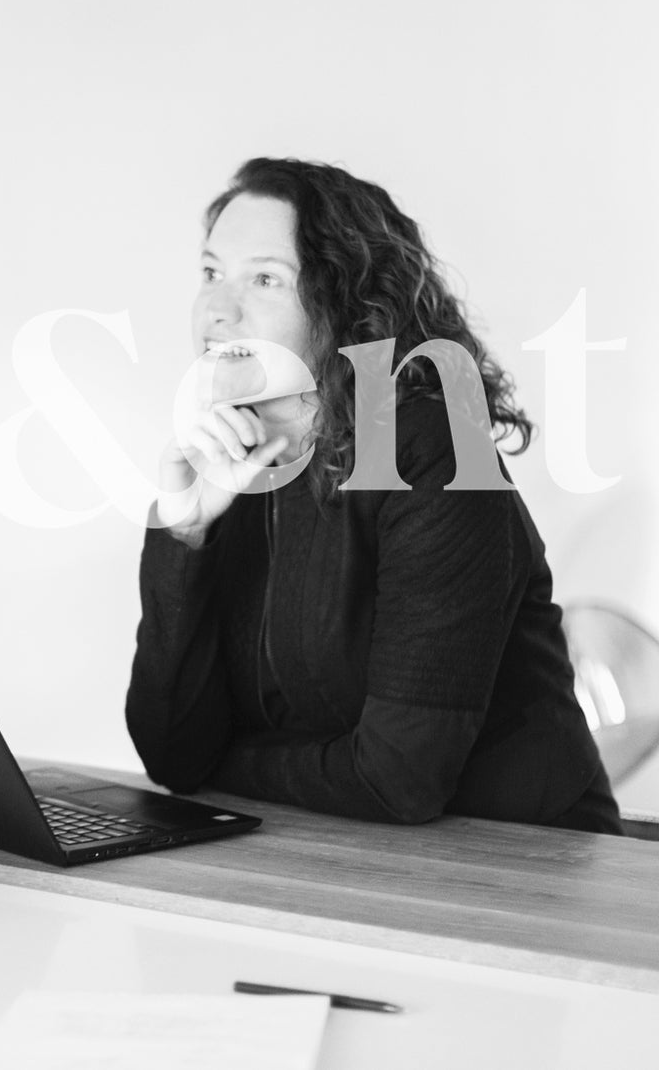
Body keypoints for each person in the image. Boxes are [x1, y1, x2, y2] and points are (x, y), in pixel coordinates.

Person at [126, 157, 621, 834]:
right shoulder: (235, 465)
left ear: (344, 300)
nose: (218, 309)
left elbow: (400, 779)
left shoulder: (435, 449)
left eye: (264, 279)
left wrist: (222, 768)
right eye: (211, 273)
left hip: (524, 861)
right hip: (338, 855)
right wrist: (185, 530)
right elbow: (170, 752)